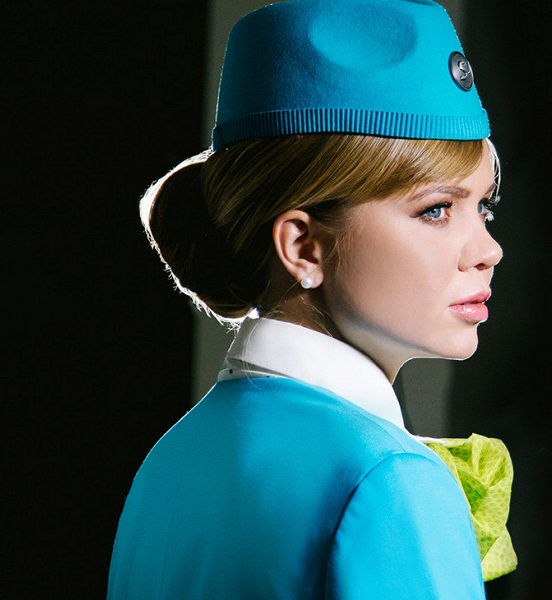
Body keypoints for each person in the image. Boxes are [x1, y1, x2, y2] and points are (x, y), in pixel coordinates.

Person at [108, 1, 513, 597]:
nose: (488, 251)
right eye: (436, 210)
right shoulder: (388, 475)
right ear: (303, 245)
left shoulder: (170, 459)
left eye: (483, 208)